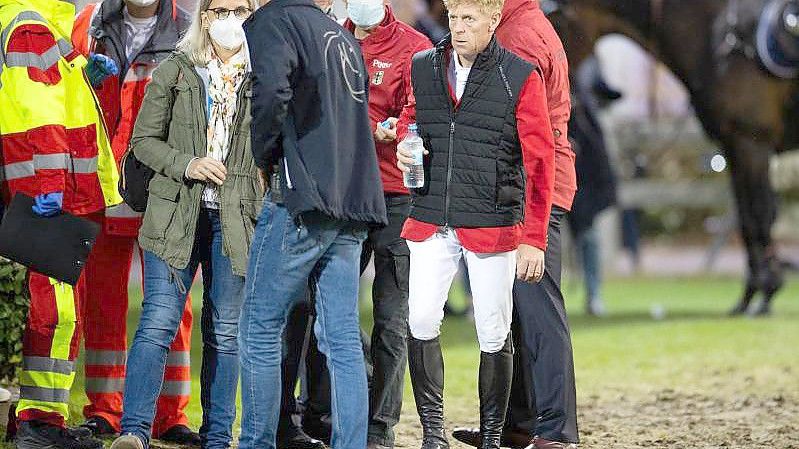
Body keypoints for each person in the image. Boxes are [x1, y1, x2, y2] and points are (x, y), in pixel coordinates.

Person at [395, 0, 555, 446]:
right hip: (430, 217)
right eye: (453, 18)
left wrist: (534, 239)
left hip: (492, 221)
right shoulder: (423, 66)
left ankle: (490, 436)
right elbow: (412, 120)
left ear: (493, 21)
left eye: (469, 19)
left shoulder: (519, 75)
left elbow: (541, 163)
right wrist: (406, 146)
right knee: (421, 318)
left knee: (493, 329)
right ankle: (433, 433)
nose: (459, 28)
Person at [107, 0, 260, 447]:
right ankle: (133, 431)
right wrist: (187, 163)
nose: (228, 19)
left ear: (252, 15)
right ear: (204, 16)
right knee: (157, 320)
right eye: (218, 9)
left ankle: (217, 437)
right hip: (174, 211)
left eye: (239, 9)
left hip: (236, 217)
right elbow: (143, 143)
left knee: (226, 332)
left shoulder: (268, 74)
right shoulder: (177, 67)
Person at [238, 0, 388, 448]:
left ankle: (256, 442)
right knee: (341, 336)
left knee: (259, 325)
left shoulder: (271, 22)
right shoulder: (338, 34)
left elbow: (271, 94)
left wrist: (262, 155)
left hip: (302, 198)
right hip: (354, 199)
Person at [449, 0, 579, 447]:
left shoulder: (517, 38)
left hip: (530, 190)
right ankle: (521, 423)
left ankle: (555, 431)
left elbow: (522, 132)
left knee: (539, 313)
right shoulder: (526, 24)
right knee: (521, 313)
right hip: (530, 185)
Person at [70, 0, 197, 443]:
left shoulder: (190, 27)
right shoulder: (86, 24)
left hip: (165, 187)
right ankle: (104, 410)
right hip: (105, 185)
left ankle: (171, 415)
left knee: (171, 305)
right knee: (102, 303)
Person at [0, 0, 123, 447]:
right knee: (55, 314)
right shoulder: (31, 28)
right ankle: (39, 425)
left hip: (57, 192)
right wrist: (49, 182)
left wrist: (84, 78)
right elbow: (39, 115)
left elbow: (48, 100)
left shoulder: (43, 27)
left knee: (58, 311)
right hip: (51, 196)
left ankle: (42, 418)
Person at [341, 1, 432, 447]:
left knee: (392, 319)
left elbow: (420, 115)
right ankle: (333, 411)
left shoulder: (415, 49)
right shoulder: (329, 43)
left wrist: (394, 127)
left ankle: (380, 429)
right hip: (345, 194)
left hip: (397, 195)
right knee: (329, 310)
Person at [567, 55, 621, 317]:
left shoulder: (586, 66)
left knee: (588, 234)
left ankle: (593, 293)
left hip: (583, 167)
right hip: (555, 159)